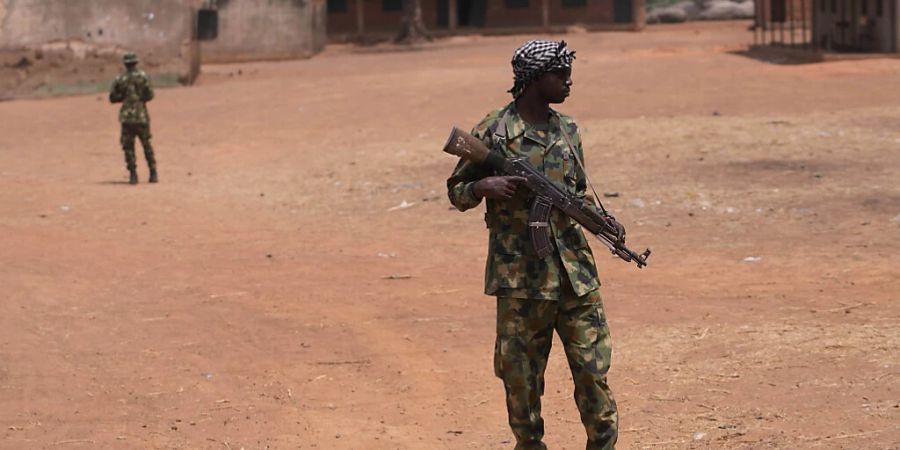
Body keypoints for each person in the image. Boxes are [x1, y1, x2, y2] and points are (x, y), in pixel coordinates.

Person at [446, 40, 618, 450]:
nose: (568, 82)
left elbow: (577, 193)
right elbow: (456, 190)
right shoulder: (494, 131)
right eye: (559, 74)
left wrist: (604, 222)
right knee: (520, 377)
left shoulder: (568, 129)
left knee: (593, 371)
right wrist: (483, 186)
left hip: (576, 275)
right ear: (533, 79)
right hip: (521, 280)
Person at [109, 52, 157, 184]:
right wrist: (139, 99)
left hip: (127, 118)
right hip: (141, 116)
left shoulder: (120, 79)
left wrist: (125, 98)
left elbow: (113, 97)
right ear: (136, 63)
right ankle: (153, 172)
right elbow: (150, 95)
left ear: (125, 64)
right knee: (146, 144)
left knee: (128, 147)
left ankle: (133, 174)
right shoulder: (143, 76)